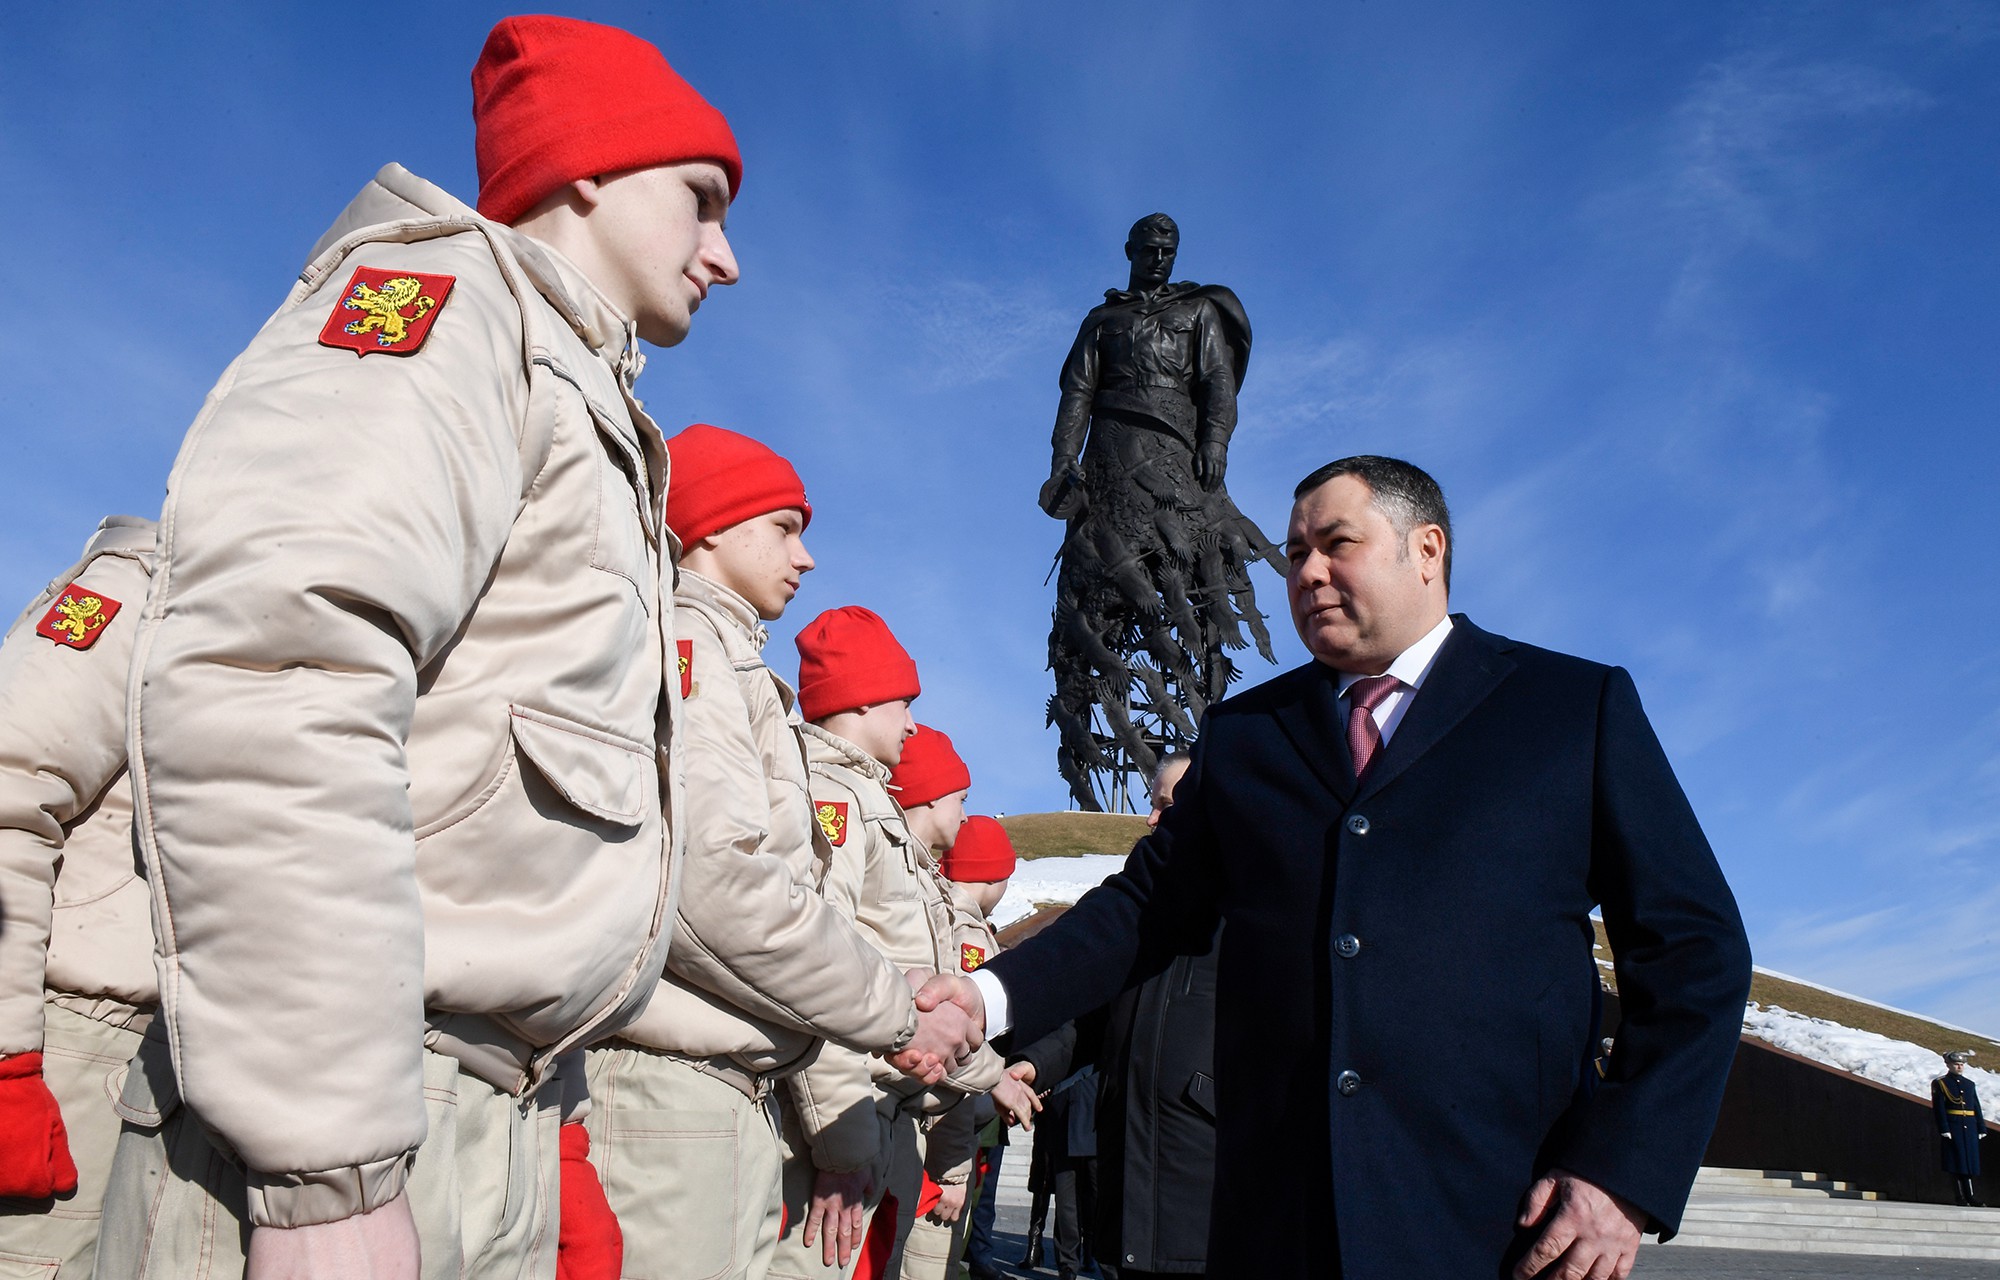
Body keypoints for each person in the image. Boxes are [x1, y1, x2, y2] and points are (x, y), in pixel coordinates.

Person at [97, 16, 743, 1279]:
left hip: (468, 1117)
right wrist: (325, 1166)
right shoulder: (447, 313)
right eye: (703, 199)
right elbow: (279, 675)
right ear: (590, 167)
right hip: (354, 1130)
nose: (727, 256)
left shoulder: (572, 389)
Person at [924, 455, 1753, 1279]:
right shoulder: (1247, 736)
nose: (1308, 572)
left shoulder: (1570, 709)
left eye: (1336, 543)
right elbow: (1145, 909)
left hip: (1498, 1227)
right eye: (1294, 554)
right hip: (1276, 1225)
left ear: (1426, 550)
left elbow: (1694, 950)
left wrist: (1621, 1173)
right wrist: (985, 997)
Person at [583, 427, 979, 1280]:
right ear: (712, 529)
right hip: (681, 1081)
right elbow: (721, 887)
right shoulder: (693, 645)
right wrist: (894, 1028)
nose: (805, 557)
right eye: (784, 527)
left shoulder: (733, 661)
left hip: (738, 1082)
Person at [769, 622, 999, 1280]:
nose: (913, 725)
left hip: (872, 1114)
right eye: (905, 703)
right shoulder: (836, 798)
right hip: (835, 1118)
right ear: (865, 699)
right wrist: (842, 1144)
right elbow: (819, 963)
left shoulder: (866, 800)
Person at [0, 517, 156, 1278]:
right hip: (70, 1047)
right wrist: (7, 1063)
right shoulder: (151, 583)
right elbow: (7, 790)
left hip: (181, 1075)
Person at [897, 815, 1031, 1280]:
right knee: (931, 1264)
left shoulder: (941, 916)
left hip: (935, 1135)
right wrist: (951, 1170)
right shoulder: (967, 937)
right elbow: (955, 1062)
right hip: (943, 1141)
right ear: (994, 875)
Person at [1933, 1052, 1986, 1207]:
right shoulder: (1941, 1083)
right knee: (1956, 1162)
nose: (1959, 1067)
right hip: (1954, 1126)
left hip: (1969, 1126)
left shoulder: (1969, 1084)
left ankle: (1971, 1196)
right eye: (1956, 1064)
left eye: (1962, 1064)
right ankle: (1960, 1196)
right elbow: (1939, 1108)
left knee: (1969, 1163)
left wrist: (1981, 1126)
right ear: (1948, 1065)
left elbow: (1975, 1106)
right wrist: (1944, 1127)